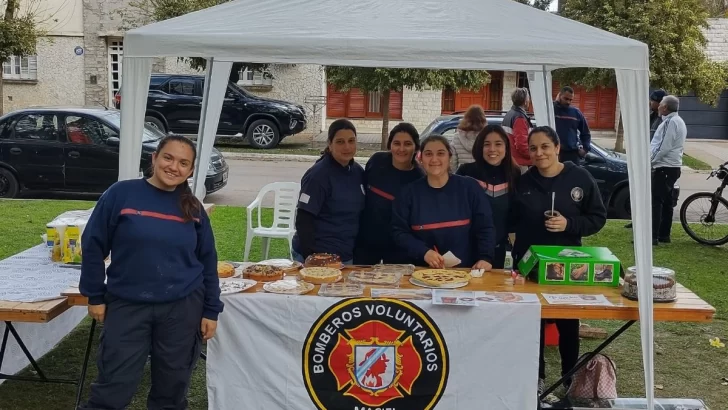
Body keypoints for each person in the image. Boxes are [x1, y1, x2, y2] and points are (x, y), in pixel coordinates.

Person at [78, 134, 223, 410]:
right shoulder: (121, 194)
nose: (174, 167)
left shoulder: (193, 208)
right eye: (168, 158)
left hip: (181, 308)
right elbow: (93, 244)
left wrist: (211, 310)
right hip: (128, 304)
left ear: (191, 171)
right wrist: (95, 295)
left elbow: (207, 261)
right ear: (154, 158)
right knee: (114, 386)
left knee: (171, 388)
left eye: (183, 163)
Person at [510, 126, 606, 398]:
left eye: (544, 147)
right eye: (533, 148)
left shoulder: (580, 177)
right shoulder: (524, 182)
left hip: (567, 267)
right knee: (533, 323)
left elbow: (598, 218)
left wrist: (569, 223)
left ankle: (569, 378)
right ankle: (536, 377)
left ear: (557, 148)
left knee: (567, 323)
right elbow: (512, 218)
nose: (539, 153)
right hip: (529, 266)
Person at [392, 134, 496, 269]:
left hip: (466, 272)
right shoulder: (408, 193)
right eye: (428, 154)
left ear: (450, 157)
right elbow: (399, 232)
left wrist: (485, 257)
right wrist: (423, 252)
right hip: (421, 272)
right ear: (421, 158)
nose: (434, 159)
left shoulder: (469, 188)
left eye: (440, 153)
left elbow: (485, 227)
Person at [292, 119, 365, 265]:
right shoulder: (317, 176)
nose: (347, 147)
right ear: (329, 144)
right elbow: (303, 220)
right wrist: (311, 258)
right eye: (340, 142)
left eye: (351, 141)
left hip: (345, 255)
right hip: (318, 257)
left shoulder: (358, 172)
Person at [355, 122, 424, 264]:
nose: (401, 149)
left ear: (416, 148)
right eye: (397, 143)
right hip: (366, 243)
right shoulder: (376, 161)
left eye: (408, 144)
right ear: (390, 145)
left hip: (398, 250)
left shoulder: (419, 178)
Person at [456, 124, 521, 269]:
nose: (492, 149)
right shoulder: (466, 172)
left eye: (498, 144)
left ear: (506, 147)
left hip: (497, 249)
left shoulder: (514, 174)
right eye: (487, 144)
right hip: (466, 248)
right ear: (480, 147)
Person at [625, 88, 667, 229]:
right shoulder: (651, 116)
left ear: (660, 102)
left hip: (654, 163)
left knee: (652, 197)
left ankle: (651, 227)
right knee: (639, 193)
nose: (650, 102)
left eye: (653, 100)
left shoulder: (664, 120)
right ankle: (637, 220)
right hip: (644, 160)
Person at [650, 95, 687, 245]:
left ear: (665, 107)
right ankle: (664, 235)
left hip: (664, 167)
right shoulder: (679, 121)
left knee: (656, 202)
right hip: (672, 167)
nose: (658, 106)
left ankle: (653, 236)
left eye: (660, 105)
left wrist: (649, 162)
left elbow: (662, 147)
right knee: (666, 202)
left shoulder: (670, 122)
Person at [553, 86, 592, 164]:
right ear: (559, 96)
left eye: (570, 100)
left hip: (571, 154)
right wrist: (556, 102)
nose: (568, 102)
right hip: (553, 153)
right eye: (566, 99)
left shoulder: (576, 113)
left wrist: (585, 149)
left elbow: (586, 133)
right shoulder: (552, 110)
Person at [503, 87, 533, 169]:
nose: (529, 101)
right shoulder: (520, 118)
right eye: (528, 98)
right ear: (525, 101)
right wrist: (533, 155)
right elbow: (521, 145)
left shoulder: (509, 114)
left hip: (511, 160)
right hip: (520, 163)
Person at [452, 104, 487, 170]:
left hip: (462, 175)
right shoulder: (486, 137)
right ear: (482, 119)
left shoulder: (457, 136)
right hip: (481, 176)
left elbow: (453, 161)